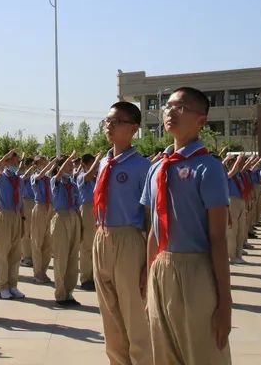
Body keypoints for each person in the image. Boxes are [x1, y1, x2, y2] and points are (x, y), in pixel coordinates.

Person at [140, 87, 231, 365]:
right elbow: (155, 228)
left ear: (200, 120)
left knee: (203, 353)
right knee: (163, 354)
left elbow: (218, 237)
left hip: (196, 269)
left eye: (180, 108)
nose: (170, 112)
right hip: (161, 267)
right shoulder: (157, 168)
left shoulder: (208, 168)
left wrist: (225, 303)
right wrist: (147, 274)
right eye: (167, 106)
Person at [93, 101, 152, 365]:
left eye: (116, 121)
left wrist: (148, 264)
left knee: (134, 316)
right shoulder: (104, 161)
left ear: (133, 128)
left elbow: (151, 219)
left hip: (129, 239)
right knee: (110, 316)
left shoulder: (143, 167)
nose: (109, 126)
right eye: (107, 121)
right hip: (102, 236)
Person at [49, 150, 82, 307]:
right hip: (61, 218)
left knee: (72, 258)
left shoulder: (73, 184)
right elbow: (59, 173)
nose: (71, 167)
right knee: (61, 257)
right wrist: (67, 157)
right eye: (68, 164)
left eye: (72, 165)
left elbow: (77, 204)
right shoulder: (55, 181)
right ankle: (60, 294)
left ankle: (69, 292)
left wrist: (80, 224)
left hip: (73, 217)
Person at [0, 150, 27, 300]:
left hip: (16, 215)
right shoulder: (1, 177)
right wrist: (4, 158)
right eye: (11, 161)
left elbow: (20, 199)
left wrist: (23, 218)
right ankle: (3, 287)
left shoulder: (18, 179)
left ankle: (13, 285)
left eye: (15, 161)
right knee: (3, 254)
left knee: (15, 253)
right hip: (4, 215)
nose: (14, 164)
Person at [75, 152, 100, 290]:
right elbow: (89, 174)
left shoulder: (94, 178)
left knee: (94, 246)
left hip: (96, 210)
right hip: (87, 209)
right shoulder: (81, 177)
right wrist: (98, 160)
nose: (94, 166)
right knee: (86, 246)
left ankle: (93, 276)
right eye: (91, 163)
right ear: (84, 165)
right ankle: (85, 278)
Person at [29, 156, 55, 285]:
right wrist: (50, 165)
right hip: (39, 207)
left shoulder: (48, 179)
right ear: (36, 165)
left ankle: (43, 271)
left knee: (47, 243)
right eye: (42, 162)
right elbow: (39, 176)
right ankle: (37, 273)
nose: (45, 164)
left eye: (46, 161)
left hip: (49, 208)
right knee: (37, 242)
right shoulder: (35, 176)